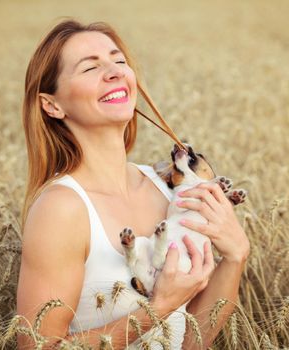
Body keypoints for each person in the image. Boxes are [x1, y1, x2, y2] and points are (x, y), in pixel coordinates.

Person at [15, 18, 250, 349]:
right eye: (89, 68)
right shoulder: (62, 208)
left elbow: (193, 339)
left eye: (119, 61)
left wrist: (236, 255)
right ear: (52, 105)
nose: (115, 72)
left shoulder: (166, 188)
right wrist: (157, 309)